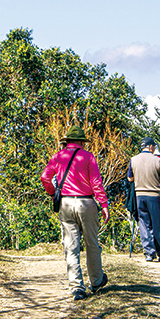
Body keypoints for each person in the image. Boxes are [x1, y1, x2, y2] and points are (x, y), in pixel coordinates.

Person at [41, 125, 109, 301]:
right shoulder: (88, 156)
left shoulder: (58, 156)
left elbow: (45, 177)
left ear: (67, 142)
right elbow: (96, 182)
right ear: (80, 142)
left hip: (65, 203)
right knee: (92, 243)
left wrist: (52, 192)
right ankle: (96, 281)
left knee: (71, 247)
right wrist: (104, 204)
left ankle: (77, 287)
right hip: (86, 202)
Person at [127, 136, 160, 261]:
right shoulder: (158, 160)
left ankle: (149, 252)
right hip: (155, 195)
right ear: (151, 147)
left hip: (140, 195)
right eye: (154, 146)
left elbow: (130, 178)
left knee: (144, 224)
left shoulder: (133, 160)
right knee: (158, 224)